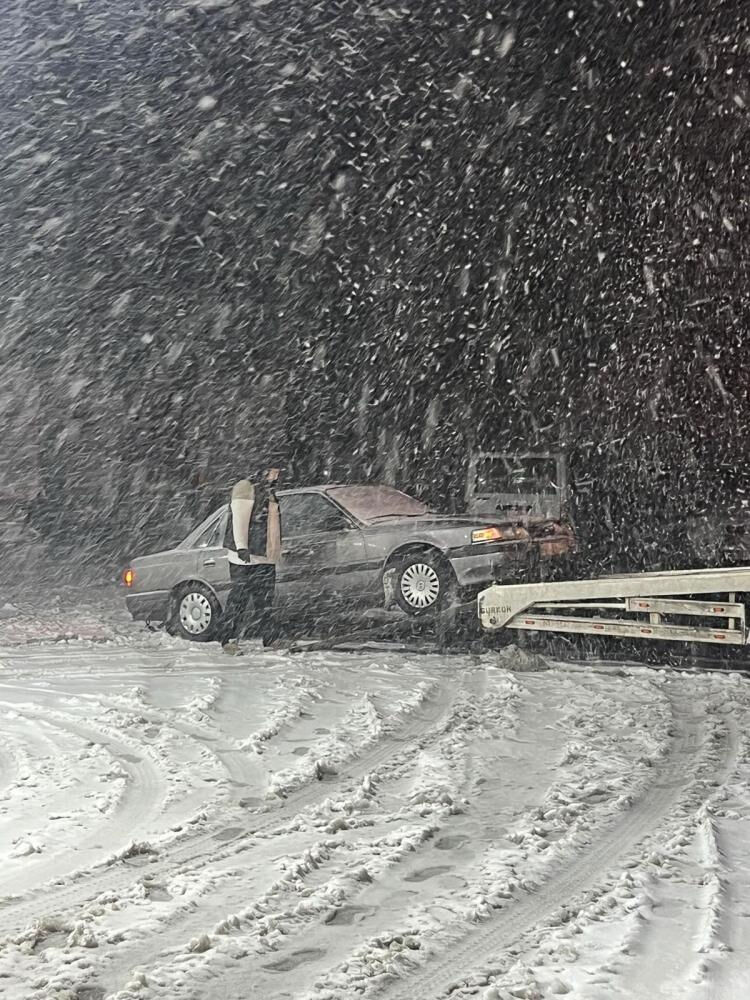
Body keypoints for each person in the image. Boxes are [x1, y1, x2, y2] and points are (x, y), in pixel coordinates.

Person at [220, 468, 282, 652]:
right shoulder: (245, 487)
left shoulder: (268, 491)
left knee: (265, 602)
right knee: (238, 600)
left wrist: (275, 549)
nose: (276, 476)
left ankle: (270, 638)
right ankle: (228, 638)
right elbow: (239, 518)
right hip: (246, 559)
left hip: (265, 556)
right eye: (273, 472)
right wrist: (241, 546)